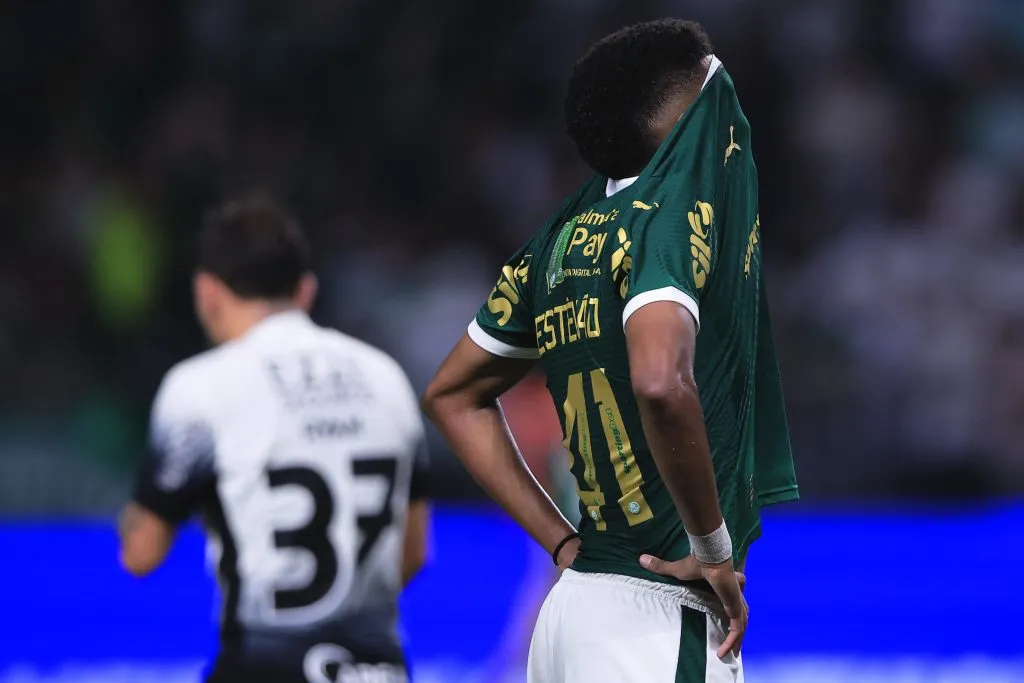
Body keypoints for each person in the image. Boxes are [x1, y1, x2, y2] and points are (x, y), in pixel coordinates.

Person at [422, 18, 798, 682]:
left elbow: (452, 395)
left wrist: (561, 542)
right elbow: (659, 378)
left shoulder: (557, 240)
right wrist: (711, 548)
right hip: (659, 611)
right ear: (684, 119)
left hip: (573, 611)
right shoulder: (672, 219)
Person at [118, 196, 429, 683]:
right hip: (378, 668)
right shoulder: (385, 377)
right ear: (305, 291)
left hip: (263, 668)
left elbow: (142, 553)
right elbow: (412, 552)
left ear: (207, 293)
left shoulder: (201, 387)